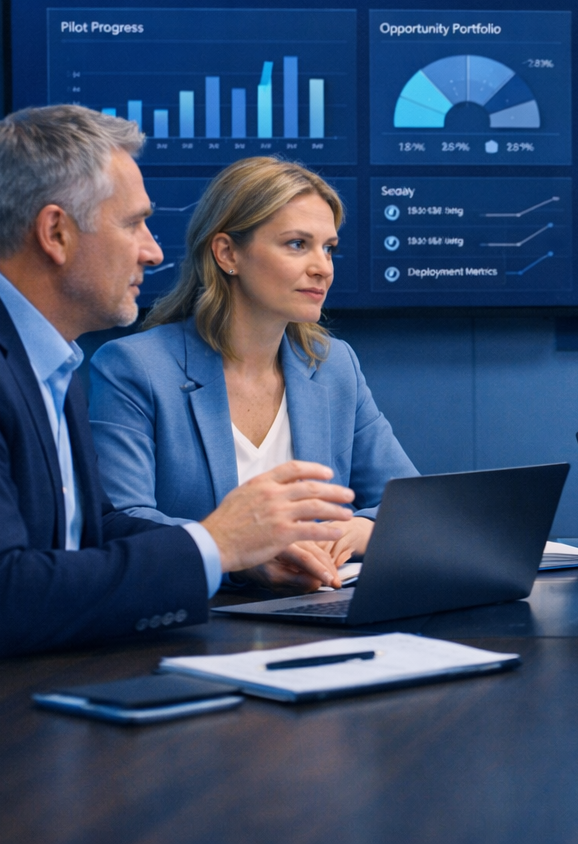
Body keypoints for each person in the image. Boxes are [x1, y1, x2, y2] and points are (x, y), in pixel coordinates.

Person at [0, 106, 359, 701]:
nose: (153, 252)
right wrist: (215, 544)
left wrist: (240, 556)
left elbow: (93, 528)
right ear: (56, 233)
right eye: (135, 224)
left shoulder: (42, 352)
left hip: (29, 685)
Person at [89, 156, 416, 593]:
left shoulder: (334, 365)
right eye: (297, 244)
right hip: (200, 617)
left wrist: (360, 530)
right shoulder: (134, 368)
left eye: (329, 248)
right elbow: (121, 520)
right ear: (227, 253)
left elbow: (410, 504)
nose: (323, 267)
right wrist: (238, 558)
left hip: (316, 608)